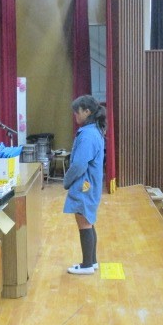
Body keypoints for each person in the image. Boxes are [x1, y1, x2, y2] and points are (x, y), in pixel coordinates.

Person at [63, 95, 106, 275]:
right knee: (88, 221)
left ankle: (87, 265)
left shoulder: (88, 135)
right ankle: (92, 261)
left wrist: (67, 181)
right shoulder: (94, 131)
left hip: (84, 185)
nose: (75, 115)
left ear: (87, 112)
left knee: (84, 223)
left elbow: (79, 164)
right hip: (90, 184)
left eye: (77, 112)